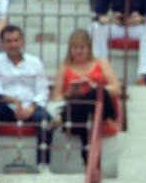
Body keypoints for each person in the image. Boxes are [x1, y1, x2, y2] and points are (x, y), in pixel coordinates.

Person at [0, 25, 51, 171]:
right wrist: (14, 101)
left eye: (16, 40)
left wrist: (31, 108)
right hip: (5, 108)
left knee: (45, 118)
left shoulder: (35, 62)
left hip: (30, 107)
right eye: (8, 41)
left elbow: (42, 91)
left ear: (22, 42)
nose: (13, 44)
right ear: (2, 44)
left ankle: (43, 165)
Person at [50, 28, 122, 159]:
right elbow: (56, 98)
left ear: (89, 48)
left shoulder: (101, 62)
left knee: (99, 91)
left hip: (101, 108)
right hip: (79, 113)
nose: (78, 51)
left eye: (82, 47)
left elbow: (116, 88)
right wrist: (69, 93)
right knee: (85, 114)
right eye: (75, 47)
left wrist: (92, 86)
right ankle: (89, 160)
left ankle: (62, 116)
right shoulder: (64, 67)